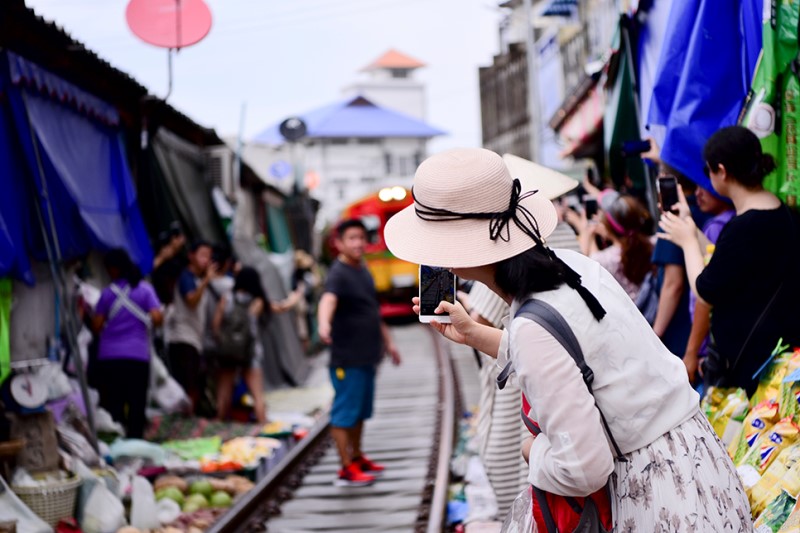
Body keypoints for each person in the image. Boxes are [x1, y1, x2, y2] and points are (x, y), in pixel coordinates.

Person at [384, 148, 750, 530]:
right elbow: (575, 352)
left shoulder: (532, 325)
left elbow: (584, 468)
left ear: (453, 254)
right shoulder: (572, 265)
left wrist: (532, 450)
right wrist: (477, 335)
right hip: (694, 466)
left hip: (653, 496)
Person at [660, 126, 800, 395]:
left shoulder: (743, 227)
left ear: (721, 171)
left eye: (707, 171)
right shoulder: (784, 213)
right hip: (779, 357)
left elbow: (705, 289)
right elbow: (725, 260)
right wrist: (689, 226)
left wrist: (689, 242)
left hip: (754, 371)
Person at [317, 219, 402, 487]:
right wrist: (323, 323)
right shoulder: (338, 273)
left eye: (361, 238)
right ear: (339, 243)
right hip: (347, 358)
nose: (358, 243)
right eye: (351, 238)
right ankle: (345, 468)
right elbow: (328, 299)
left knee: (360, 412)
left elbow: (372, 311)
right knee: (345, 413)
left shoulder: (362, 269)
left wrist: (389, 343)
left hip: (367, 356)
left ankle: (357, 456)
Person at [212, 266, 299, 424]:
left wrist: (226, 343)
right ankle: (263, 425)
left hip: (228, 353)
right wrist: (294, 298)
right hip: (251, 353)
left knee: (223, 394)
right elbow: (281, 307)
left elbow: (215, 325)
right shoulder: (258, 301)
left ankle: (218, 426)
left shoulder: (227, 298)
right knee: (257, 394)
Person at [92, 249, 163, 438]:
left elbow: (97, 325)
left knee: (113, 401)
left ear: (115, 269)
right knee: (136, 402)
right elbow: (157, 317)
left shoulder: (107, 294)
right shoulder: (145, 290)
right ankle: (135, 439)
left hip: (109, 356)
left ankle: (115, 438)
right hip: (137, 355)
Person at [681, 186, 734, 386]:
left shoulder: (717, 227)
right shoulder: (730, 221)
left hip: (713, 348)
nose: (697, 193)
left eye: (704, 184)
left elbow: (705, 293)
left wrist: (691, 353)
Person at [570, 190, 653, 301]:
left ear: (608, 227)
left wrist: (585, 231)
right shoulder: (653, 244)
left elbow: (579, 270)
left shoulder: (605, 259)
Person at [165, 240, 217, 414]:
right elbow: (192, 300)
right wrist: (206, 280)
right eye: (202, 255)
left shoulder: (196, 279)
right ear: (191, 256)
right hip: (182, 338)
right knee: (188, 387)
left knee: (193, 385)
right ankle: (188, 424)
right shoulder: (187, 278)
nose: (206, 260)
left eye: (209, 257)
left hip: (193, 340)